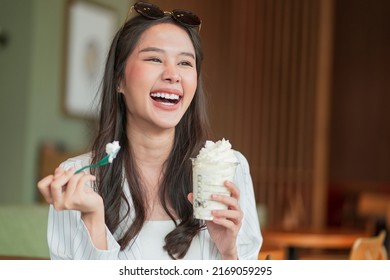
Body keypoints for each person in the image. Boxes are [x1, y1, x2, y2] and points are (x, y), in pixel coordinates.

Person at [37, 1, 262, 260]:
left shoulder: (231, 169)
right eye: (155, 58)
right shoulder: (76, 180)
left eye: (185, 63)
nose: (173, 75)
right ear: (119, 79)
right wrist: (93, 219)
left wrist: (229, 253)